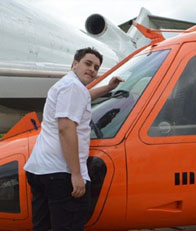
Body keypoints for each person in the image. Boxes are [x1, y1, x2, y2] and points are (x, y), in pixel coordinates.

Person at [24, 47, 123, 231]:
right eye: (88, 63)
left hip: (40, 171)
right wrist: (76, 174)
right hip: (61, 173)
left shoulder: (68, 85)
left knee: (42, 227)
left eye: (96, 67)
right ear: (74, 64)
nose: (92, 69)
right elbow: (66, 128)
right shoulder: (73, 88)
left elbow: (85, 97)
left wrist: (108, 87)